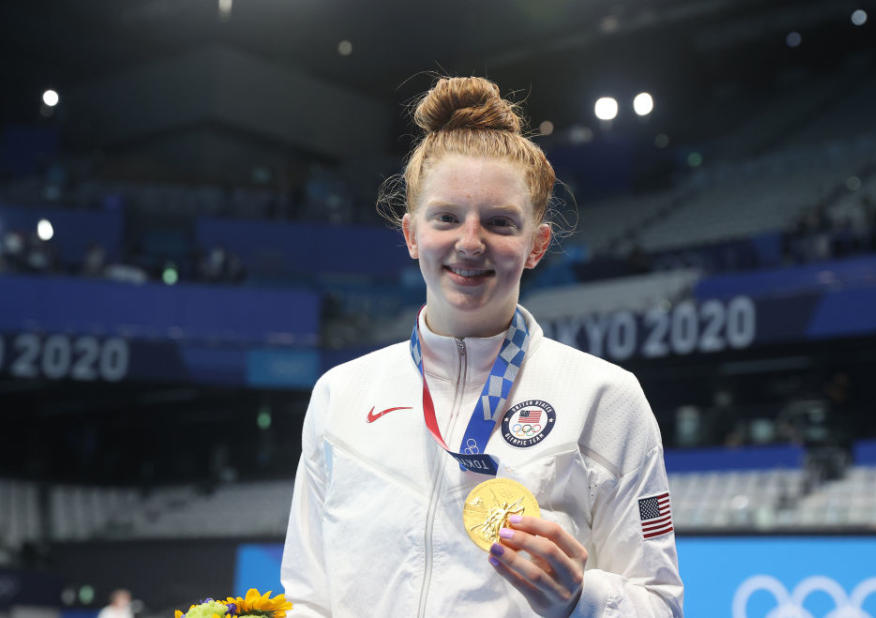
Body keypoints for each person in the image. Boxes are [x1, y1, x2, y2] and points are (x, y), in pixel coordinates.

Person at [281, 76, 683, 617]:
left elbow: (662, 607)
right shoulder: (341, 394)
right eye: (446, 218)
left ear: (537, 245)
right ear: (411, 234)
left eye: (499, 223)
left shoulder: (606, 398)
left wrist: (581, 600)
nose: (470, 243)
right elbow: (309, 599)